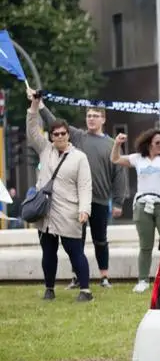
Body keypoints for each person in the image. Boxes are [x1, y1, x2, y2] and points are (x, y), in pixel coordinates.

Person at [30, 88, 128, 289]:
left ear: (103, 119)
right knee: (77, 241)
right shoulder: (78, 136)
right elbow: (53, 122)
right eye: (89, 116)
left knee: (101, 239)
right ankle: (77, 278)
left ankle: (104, 276)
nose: (91, 119)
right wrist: (39, 104)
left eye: (95, 116)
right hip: (76, 201)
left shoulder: (112, 144)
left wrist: (118, 201)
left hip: (100, 199)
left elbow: (119, 174)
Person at [25, 96, 94, 302]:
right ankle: (49, 288)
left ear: (68, 135)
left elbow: (85, 186)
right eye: (56, 134)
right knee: (48, 253)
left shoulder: (79, 157)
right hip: (45, 214)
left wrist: (85, 209)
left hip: (69, 212)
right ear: (52, 136)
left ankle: (85, 290)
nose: (60, 137)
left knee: (76, 252)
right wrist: (34, 106)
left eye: (63, 133)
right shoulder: (45, 150)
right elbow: (32, 130)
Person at [111, 121, 160, 293]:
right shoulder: (138, 158)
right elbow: (115, 159)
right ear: (149, 143)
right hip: (143, 205)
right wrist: (117, 144)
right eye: (157, 142)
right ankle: (143, 280)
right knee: (145, 245)